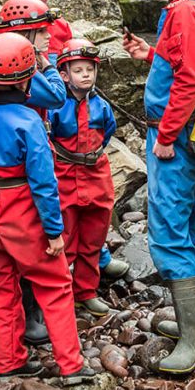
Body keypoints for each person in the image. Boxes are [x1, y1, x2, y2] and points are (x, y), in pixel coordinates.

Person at [0, 32, 95, 385]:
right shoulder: (29, 122)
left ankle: (9, 360)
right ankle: (72, 365)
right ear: (26, 78)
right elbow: (44, 184)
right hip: (22, 208)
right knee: (55, 282)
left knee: (2, 286)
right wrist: (54, 231)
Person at [122, 0, 195, 375]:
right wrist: (150, 54)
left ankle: (190, 341)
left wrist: (164, 134)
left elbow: (190, 81)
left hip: (177, 140)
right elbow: (181, 65)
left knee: (168, 230)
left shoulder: (183, 12)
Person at [8, 0, 130, 282]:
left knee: (88, 202)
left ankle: (94, 259)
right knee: (43, 198)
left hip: (65, 114)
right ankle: (41, 268)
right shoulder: (2, 29)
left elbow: (74, 59)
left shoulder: (58, 25)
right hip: (27, 117)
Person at [0, 0, 67, 346]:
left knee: (4, 256)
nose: (49, 36)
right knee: (34, 238)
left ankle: (12, 333)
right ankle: (32, 316)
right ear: (26, 35)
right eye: (42, 31)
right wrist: (50, 63)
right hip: (22, 165)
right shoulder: (23, 69)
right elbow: (56, 97)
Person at [48, 39, 117, 315]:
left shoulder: (102, 106)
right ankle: (59, 291)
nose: (86, 75)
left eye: (90, 69)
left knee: (94, 238)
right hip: (64, 176)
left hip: (96, 175)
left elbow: (108, 133)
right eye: (78, 70)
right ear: (64, 75)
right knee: (64, 238)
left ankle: (86, 291)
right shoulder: (54, 106)